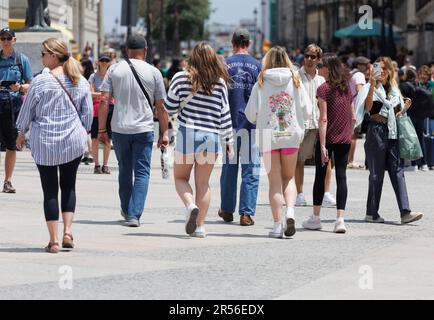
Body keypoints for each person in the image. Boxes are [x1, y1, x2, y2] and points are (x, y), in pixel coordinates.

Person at [15, 38, 93, 253]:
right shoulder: (80, 80)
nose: (41, 57)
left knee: (50, 191)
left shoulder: (41, 81)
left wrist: (21, 132)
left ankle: (54, 240)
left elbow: (27, 110)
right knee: (69, 186)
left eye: (43, 54)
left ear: (53, 55)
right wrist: (81, 131)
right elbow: (87, 115)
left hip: (45, 142)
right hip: (72, 141)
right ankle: (68, 231)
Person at [164, 42, 234, 238]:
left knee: (180, 178)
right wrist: (229, 140)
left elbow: (169, 107)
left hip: (188, 133)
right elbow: (225, 114)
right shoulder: (220, 83)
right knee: (203, 183)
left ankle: (190, 205)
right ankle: (201, 227)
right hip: (211, 136)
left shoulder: (180, 78)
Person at [99, 34, 169, 228]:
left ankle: (126, 208)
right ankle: (134, 214)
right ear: (145, 51)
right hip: (144, 128)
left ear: (127, 51)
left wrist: (102, 129)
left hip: (120, 128)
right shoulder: (154, 72)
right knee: (142, 172)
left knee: (124, 169)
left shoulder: (114, 69)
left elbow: (104, 100)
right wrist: (164, 133)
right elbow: (161, 107)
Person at [245, 46, 312, 238]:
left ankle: (276, 225)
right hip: (290, 135)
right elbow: (308, 110)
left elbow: (250, 114)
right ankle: (290, 211)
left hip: (268, 137)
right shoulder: (296, 80)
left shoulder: (261, 82)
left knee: (274, 182)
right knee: (288, 178)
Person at [355, 56, 423, 225]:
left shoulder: (393, 90)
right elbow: (370, 108)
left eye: (385, 68)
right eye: (379, 67)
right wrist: (371, 83)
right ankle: (371, 213)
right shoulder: (370, 88)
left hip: (392, 133)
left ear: (390, 71)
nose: (382, 71)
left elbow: (392, 115)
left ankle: (405, 212)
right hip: (376, 132)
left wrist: (403, 109)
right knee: (376, 175)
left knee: (398, 171)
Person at [302, 54, 355, 234]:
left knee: (320, 175)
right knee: (342, 176)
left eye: (322, 65)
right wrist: (348, 132)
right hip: (345, 139)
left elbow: (323, 119)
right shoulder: (346, 89)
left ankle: (316, 218)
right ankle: (340, 220)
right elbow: (353, 116)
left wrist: (323, 145)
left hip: (328, 138)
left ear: (328, 68)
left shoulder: (323, 89)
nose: (319, 68)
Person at [218, 28, 262, 227]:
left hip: (229, 124)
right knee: (251, 170)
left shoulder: (224, 65)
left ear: (232, 43)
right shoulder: (258, 66)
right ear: (249, 44)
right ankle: (246, 213)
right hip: (251, 125)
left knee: (229, 169)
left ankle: (227, 209)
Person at [295, 45, 337, 208]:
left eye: (313, 57)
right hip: (303, 123)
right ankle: (299, 194)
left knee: (325, 160)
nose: (309, 60)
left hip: (320, 123)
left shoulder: (322, 79)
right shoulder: (296, 76)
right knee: (299, 160)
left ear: (319, 59)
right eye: (307, 56)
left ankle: (326, 193)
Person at [0, 28, 32, 194]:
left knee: (11, 145)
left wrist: (19, 87)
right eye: (2, 38)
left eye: (8, 38)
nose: (5, 41)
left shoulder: (21, 60)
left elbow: (30, 84)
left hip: (13, 105)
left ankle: (8, 181)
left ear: (14, 40)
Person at [89, 55, 113, 174]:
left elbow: (114, 94)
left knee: (108, 139)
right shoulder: (93, 77)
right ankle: (97, 164)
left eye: (106, 61)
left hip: (109, 110)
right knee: (95, 139)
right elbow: (90, 93)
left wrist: (99, 94)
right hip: (95, 111)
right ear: (98, 62)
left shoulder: (112, 76)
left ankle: (106, 164)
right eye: (102, 60)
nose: (104, 63)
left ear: (110, 62)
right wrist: (104, 95)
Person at [348, 56, 370, 169]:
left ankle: (348, 160)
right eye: (366, 65)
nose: (367, 68)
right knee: (353, 135)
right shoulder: (360, 75)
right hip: (356, 108)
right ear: (359, 65)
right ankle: (350, 160)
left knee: (349, 135)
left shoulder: (351, 73)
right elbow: (359, 91)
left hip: (348, 106)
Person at [80, 58, 94, 165]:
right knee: (88, 132)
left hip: (90, 106)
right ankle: (87, 154)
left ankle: (89, 154)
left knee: (88, 131)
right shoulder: (88, 77)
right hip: (90, 106)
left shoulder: (87, 78)